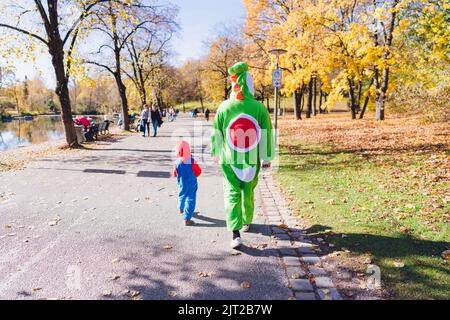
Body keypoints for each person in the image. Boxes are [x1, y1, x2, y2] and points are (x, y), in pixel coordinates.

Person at [211, 62, 274, 249]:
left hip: (230, 160)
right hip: (252, 160)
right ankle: (246, 220)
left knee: (232, 193)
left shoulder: (224, 107)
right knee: (248, 192)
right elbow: (266, 133)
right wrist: (267, 157)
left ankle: (235, 232)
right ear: (250, 84)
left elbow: (217, 133)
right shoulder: (259, 108)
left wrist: (216, 152)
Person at [173, 140, 202, 226]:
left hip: (181, 183)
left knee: (181, 194)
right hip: (191, 184)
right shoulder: (191, 161)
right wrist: (195, 174)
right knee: (190, 199)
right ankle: (187, 219)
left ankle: (181, 209)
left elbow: (175, 173)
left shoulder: (176, 162)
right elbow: (198, 171)